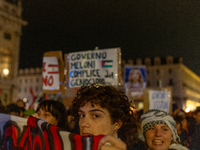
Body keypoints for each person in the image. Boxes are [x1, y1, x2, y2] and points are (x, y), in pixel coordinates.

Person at [71, 83, 145, 150]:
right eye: (82, 115)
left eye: (96, 116)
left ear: (117, 123)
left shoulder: (137, 147)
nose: (83, 123)